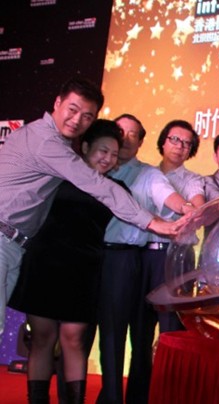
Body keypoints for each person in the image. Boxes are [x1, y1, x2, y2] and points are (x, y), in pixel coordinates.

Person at [0, 78, 177, 343]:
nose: (77, 120)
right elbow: (96, 184)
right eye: (72, 109)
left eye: (87, 116)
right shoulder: (46, 142)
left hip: (13, 244)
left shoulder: (51, 139)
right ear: (57, 103)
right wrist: (152, 223)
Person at [8, 120, 124, 404]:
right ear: (84, 147)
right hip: (44, 263)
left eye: (114, 154)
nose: (108, 158)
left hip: (84, 269)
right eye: (102, 151)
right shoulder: (55, 175)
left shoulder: (116, 188)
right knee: (42, 337)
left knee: (74, 337)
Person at [97, 114, 193, 404]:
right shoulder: (94, 168)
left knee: (121, 333)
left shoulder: (149, 174)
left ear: (141, 142)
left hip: (124, 258)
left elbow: (168, 197)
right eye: (120, 132)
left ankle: (119, 397)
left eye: (133, 134)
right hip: (88, 256)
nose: (125, 138)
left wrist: (186, 209)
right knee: (82, 332)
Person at [139, 120, 205, 337]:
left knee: (172, 326)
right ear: (163, 142)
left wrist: (191, 210)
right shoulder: (144, 173)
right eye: (175, 139)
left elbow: (198, 207)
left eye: (186, 143)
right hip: (143, 254)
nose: (179, 146)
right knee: (140, 324)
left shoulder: (193, 179)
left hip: (178, 256)